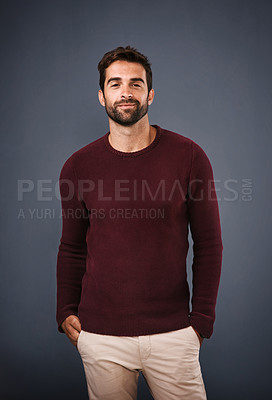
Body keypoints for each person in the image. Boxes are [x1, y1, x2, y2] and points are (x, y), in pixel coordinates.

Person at [56, 45, 223, 400]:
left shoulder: (189, 157)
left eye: (135, 83)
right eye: (115, 84)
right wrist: (65, 310)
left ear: (150, 93)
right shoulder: (77, 166)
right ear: (102, 96)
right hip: (101, 336)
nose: (126, 92)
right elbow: (72, 247)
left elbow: (209, 245)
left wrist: (201, 323)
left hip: (174, 333)